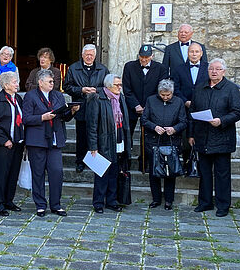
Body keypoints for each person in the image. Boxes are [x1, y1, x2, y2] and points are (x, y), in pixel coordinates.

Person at [189, 58, 240, 217]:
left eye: (218, 69)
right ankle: (205, 203)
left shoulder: (231, 89)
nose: (214, 71)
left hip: (222, 137)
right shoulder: (200, 88)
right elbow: (192, 111)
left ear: (223, 72)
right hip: (202, 136)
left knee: (222, 174)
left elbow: (237, 112)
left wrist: (221, 121)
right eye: (211, 69)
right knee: (204, 173)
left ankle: (223, 205)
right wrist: (191, 134)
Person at [23, 69, 78, 216]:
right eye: (50, 81)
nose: (53, 84)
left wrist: (72, 111)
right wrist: (42, 117)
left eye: (53, 81)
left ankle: (56, 204)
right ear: (40, 82)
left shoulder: (58, 95)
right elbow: (26, 118)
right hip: (37, 140)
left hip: (54, 139)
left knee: (57, 172)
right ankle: (40, 205)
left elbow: (63, 117)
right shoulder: (30, 96)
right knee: (38, 173)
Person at [87, 74, 131, 213]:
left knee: (114, 172)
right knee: (102, 173)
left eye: (120, 85)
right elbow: (92, 124)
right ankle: (98, 202)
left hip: (118, 138)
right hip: (104, 141)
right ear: (108, 86)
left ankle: (112, 201)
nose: (119, 87)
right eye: (117, 85)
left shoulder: (120, 98)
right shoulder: (98, 98)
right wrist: (93, 146)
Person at [141, 79, 187, 210]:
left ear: (172, 93)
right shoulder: (151, 100)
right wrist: (154, 127)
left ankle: (169, 200)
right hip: (154, 141)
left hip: (172, 141)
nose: (165, 97)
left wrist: (174, 129)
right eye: (162, 95)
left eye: (168, 95)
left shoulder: (178, 102)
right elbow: (144, 119)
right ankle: (156, 199)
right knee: (154, 171)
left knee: (170, 172)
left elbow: (183, 121)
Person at [63, 44, 108, 172]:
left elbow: (108, 87)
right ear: (82, 55)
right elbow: (67, 87)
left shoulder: (102, 69)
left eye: (91, 55)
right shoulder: (73, 68)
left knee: (95, 136)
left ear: (95, 56)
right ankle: (80, 162)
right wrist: (81, 90)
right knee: (81, 136)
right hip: (81, 107)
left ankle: (94, 162)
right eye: (87, 54)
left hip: (97, 108)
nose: (89, 57)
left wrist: (96, 91)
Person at [0, 71, 25, 216]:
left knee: (13, 173)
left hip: (17, 142)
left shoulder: (19, 99)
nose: (17, 84)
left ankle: (9, 200)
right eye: (15, 82)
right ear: (6, 85)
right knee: (1, 174)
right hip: (3, 144)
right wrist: (4, 140)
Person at [122, 44, 165, 142]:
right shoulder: (129, 66)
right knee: (127, 134)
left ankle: (145, 157)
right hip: (131, 107)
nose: (144, 59)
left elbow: (160, 89)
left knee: (148, 136)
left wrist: (148, 105)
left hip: (151, 107)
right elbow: (127, 89)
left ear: (152, 56)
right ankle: (125, 155)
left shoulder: (161, 68)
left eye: (147, 57)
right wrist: (136, 105)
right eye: (142, 57)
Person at [172, 43, 209, 107]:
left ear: (201, 53)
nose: (194, 54)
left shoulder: (209, 68)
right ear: (188, 53)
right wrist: (185, 101)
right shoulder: (178, 69)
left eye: (197, 52)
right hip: (183, 106)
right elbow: (175, 88)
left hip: (204, 105)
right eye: (191, 51)